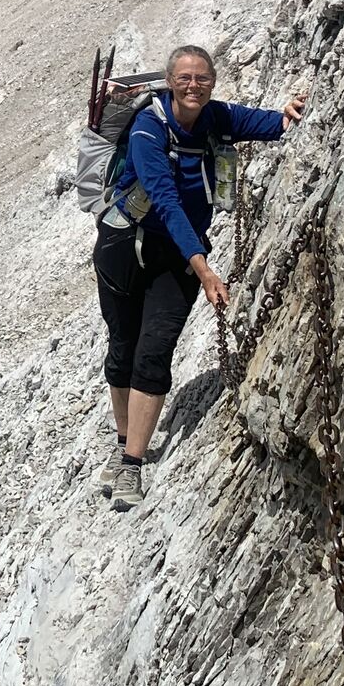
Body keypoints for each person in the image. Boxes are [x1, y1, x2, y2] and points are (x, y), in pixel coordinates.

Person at [93, 44, 305, 510]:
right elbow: (165, 199)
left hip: (179, 257)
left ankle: (131, 462)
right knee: (122, 348)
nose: (194, 86)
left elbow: (269, 125)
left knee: (154, 351)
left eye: (202, 78)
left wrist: (289, 113)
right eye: (185, 78)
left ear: (212, 82)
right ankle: (124, 439)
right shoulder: (148, 128)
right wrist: (205, 268)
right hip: (125, 247)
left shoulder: (217, 117)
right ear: (170, 82)